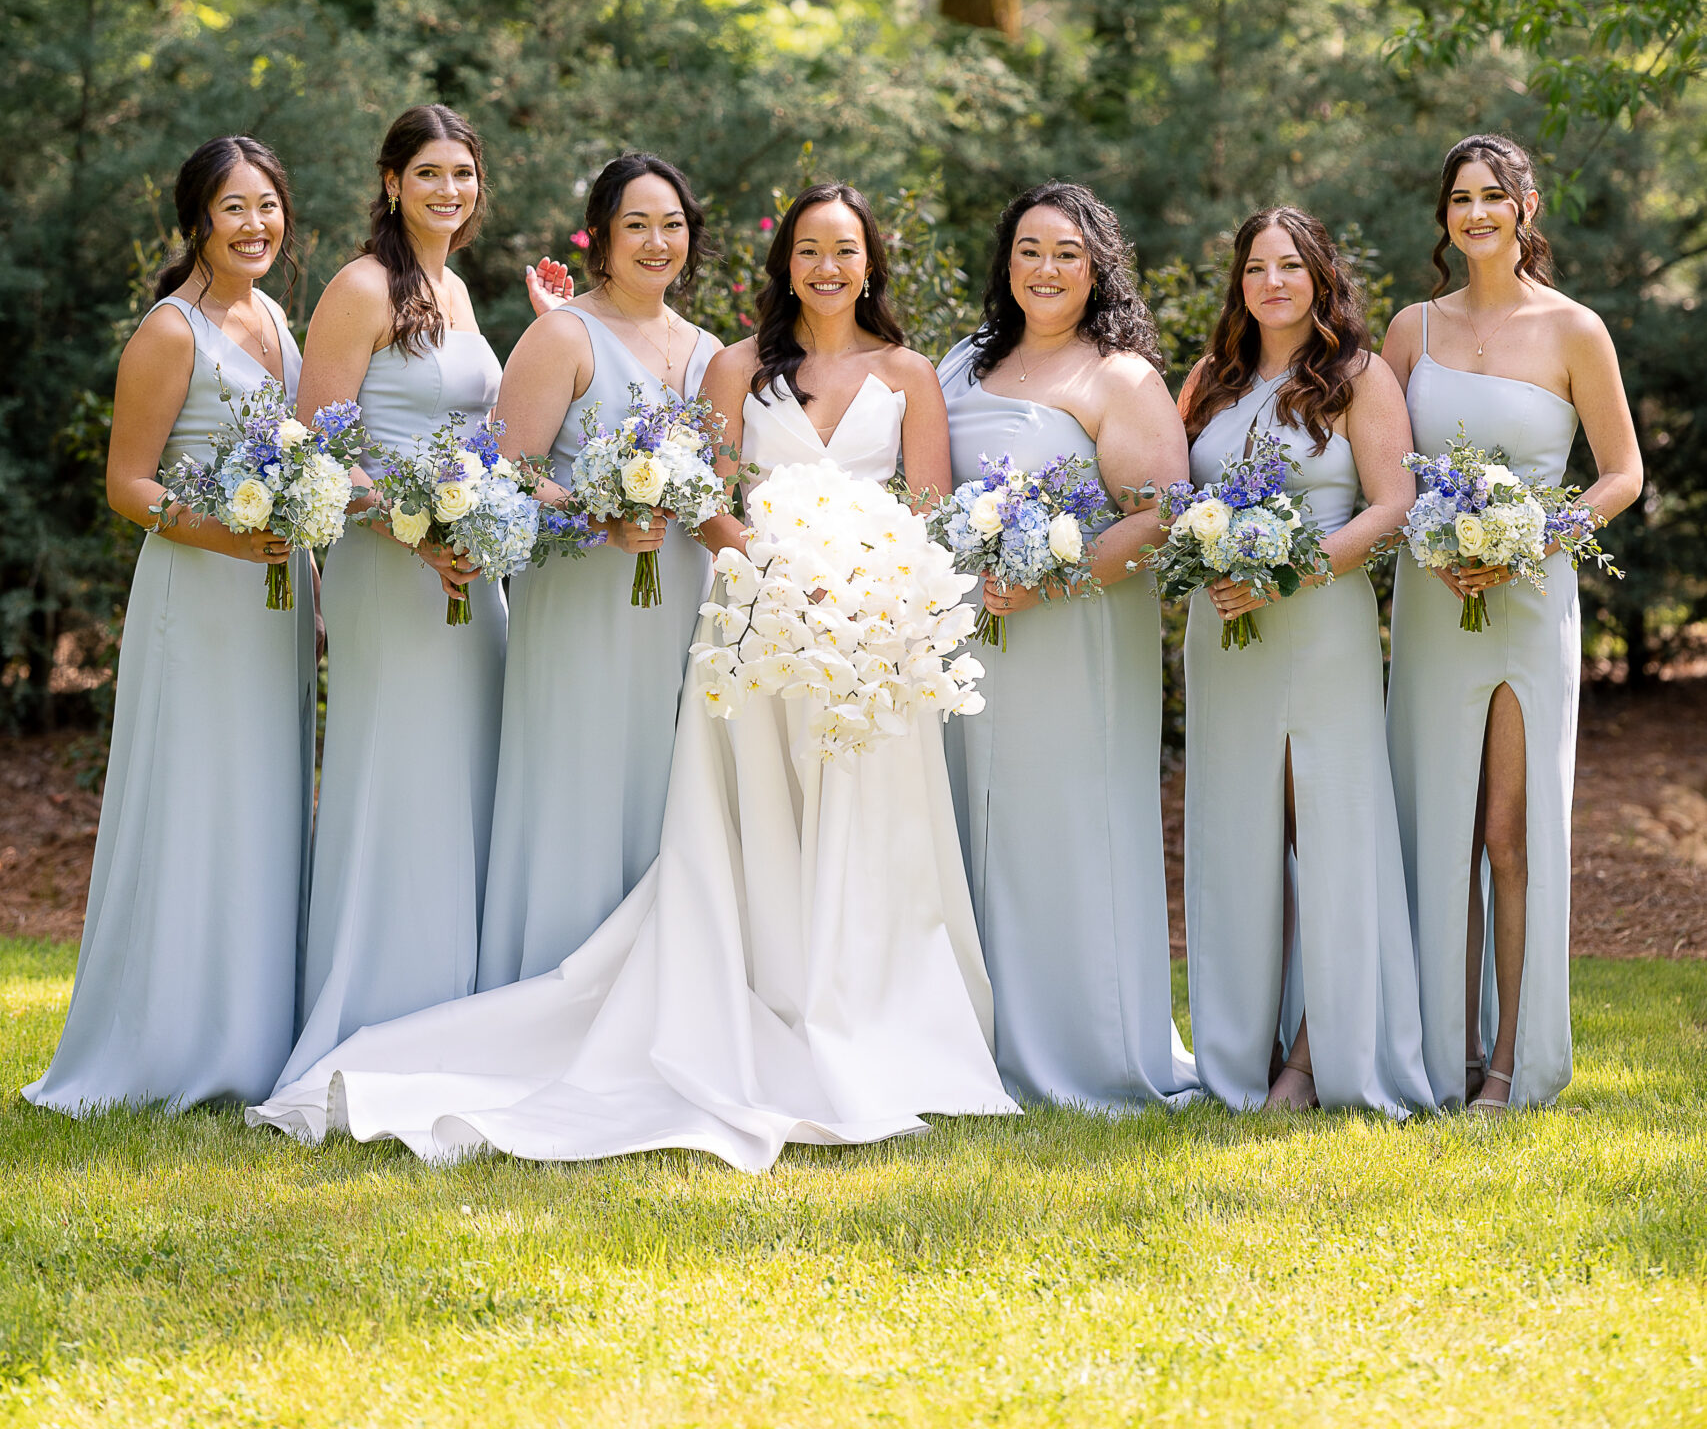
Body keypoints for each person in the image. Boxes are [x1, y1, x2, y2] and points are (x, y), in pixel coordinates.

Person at [251, 181, 1013, 1166]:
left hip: (869, 631)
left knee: (873, 827)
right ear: (783, 263)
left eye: (846, 250)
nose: (828, 267)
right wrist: (783, 568)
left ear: (871, 263)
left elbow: (927, 507)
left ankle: (884, 1022)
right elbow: (711, 496)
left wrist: (870, 583)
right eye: (808, 249)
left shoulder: (895, 370)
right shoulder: (736, 365)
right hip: (762, 622)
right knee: (747, 822)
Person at [26, 137, 316, 1111]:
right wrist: (227, 536)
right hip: (199, 593)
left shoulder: (273, 316)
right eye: (234, 207)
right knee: (196, 797)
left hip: (276, 599)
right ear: (197, 219)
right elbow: (127, 484)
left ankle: (253, 1032)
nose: (255, 224)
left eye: (267, 205)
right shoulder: (170, 329)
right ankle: (168, 1045)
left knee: (262, 796)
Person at [1384, 134, 1642, 1111]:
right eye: (1460, 198)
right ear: (1444, 216)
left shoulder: (1575, 329)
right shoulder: (1411, 330)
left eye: (1494, 195)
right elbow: (1381, 469)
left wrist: (1536, 536)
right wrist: (1430, 539)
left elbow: (1622, 472)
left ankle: (1508, 1062)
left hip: (1531, 599)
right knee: (1438, 825)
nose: (1476, 212)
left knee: (1507, 829)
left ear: (1526, 207)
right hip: (1433, 596)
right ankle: (1440, 1054)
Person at [939, 182, 1198, 1108]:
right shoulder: (963, 361)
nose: (1045, 269)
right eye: (1029, 250)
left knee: (1062, 820)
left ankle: (1084, 1046)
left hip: (1074, 628)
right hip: (968, 630)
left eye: (1066, 253)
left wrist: (1053, 575)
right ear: (1005, 262)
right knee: (974, 821)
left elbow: (1160, 512)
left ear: (1097, 270)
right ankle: (972, 1038)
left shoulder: (1118, 377)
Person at [1178, 209, 1430, 1113]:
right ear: (1238, 283)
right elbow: (1171, 496)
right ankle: (1241, 1051)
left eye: (1289, 266)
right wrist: (1199, 555)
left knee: (1327, 831)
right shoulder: (1208, 379)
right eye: (1255, 268)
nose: (1271, 283)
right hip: (1222, 634)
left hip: (1320, 624)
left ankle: (1316, 1058)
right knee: (1238, 837)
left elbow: (1392, 504)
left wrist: (1287, 573)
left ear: (1321, 277)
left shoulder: (1357, 377)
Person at [275, 105, 506, 1085]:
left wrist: (480, 522)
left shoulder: (456, 289)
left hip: (468, 570)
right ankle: (368, 1009)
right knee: (395, 768)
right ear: (392, 182)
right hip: (386, 566)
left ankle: (454, 1008)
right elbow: (316, 450)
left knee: (462, 769)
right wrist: (413, 531)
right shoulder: (361, 287)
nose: (449, 189)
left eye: (463, 173)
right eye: (429, 173)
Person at [477, 153, 722, 988]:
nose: (657, 242)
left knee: (662, 778)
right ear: (601, 238)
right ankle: (554, 983)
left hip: (677, 598)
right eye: (636, 225)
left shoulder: (710, 352)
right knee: (578, 774)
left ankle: (651, 988)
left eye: (672, 225)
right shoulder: (562, 335)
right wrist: (596, 514)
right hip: (580, 598)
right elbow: (508, 468)